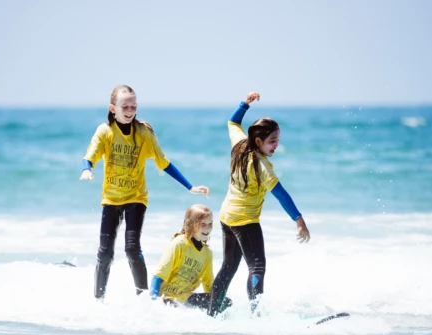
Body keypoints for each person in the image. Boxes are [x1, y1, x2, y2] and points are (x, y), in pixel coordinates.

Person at [80, 85, 209, 299]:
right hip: (111, 200)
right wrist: (86, 169)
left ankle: (145, 299)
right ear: (113, 108)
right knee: (105, 254)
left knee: (132, 249)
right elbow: (90, 155)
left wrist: (190, 187)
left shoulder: (144, 133)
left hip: (136, 199)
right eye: (125, 106)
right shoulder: (105, 131)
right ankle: (98, 301)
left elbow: (163, 162)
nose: (130, 110)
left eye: (133, 106)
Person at [206, 92, 310, 317]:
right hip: (245, 221)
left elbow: (233, 122)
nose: (276, 146)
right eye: (272, 141)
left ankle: (212, 313)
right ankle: (256, 317)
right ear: (258, 142)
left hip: (226, 217)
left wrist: (244, 104)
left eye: (278, 140)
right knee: (257, 268)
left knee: (229, 266)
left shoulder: (240, 145)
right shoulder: (262, 167)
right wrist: (299, 221)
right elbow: (281, 195)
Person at [149, 204, 232, 312]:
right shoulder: (179, 244)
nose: (208, 228)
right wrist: (152, 304)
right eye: (203, 224)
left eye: (210, 224)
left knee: (225, 302)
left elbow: (209, 285)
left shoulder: (207, 253)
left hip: (186, 298)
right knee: (176, 308)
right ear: (191, 224)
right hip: (166, 298)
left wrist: (216, 306)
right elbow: (158, 277)